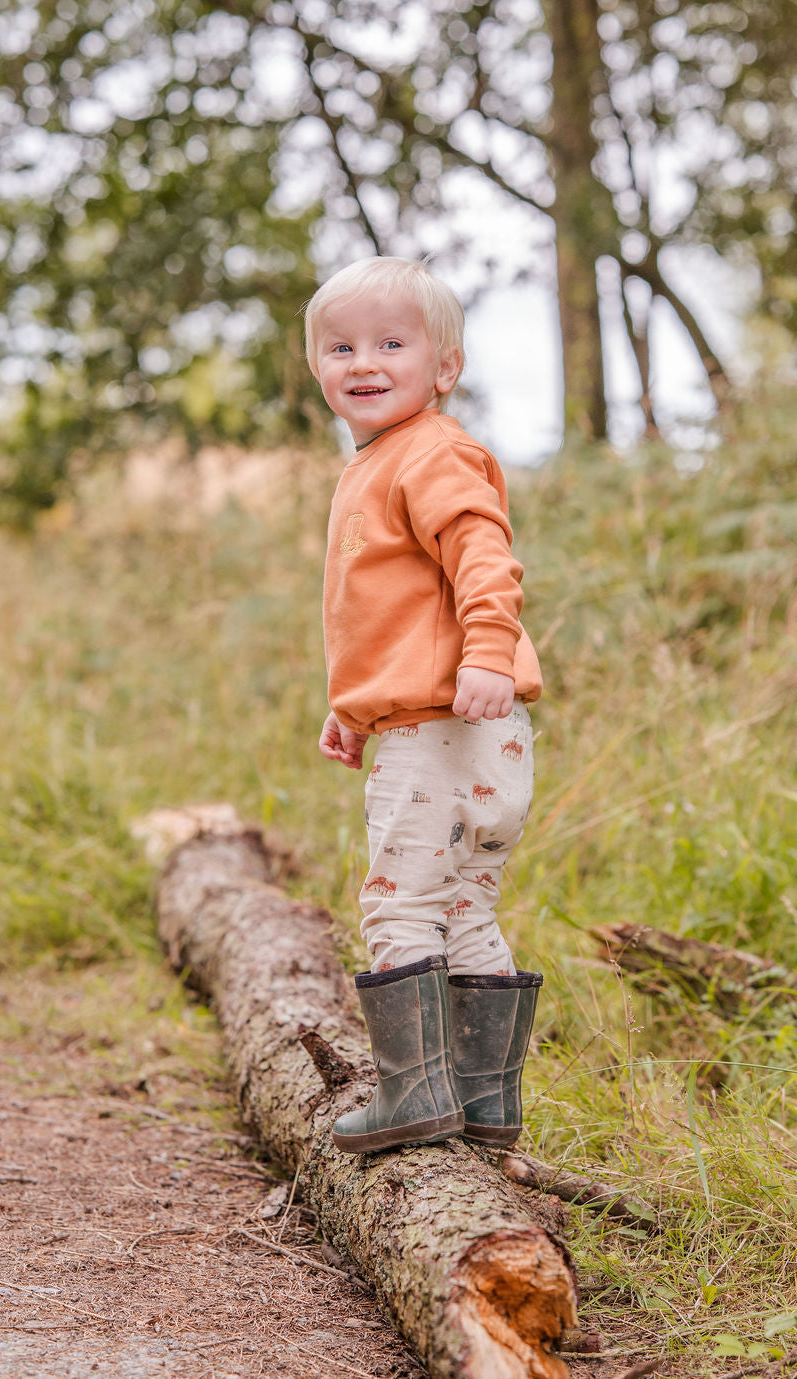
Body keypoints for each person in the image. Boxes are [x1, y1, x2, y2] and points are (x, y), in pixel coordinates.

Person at [305, 256, 544, 1155]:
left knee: (400, 906)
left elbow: (486, 556)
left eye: (390, 343)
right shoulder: (382, 460)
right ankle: (484, 1104)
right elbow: (390, 618)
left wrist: (487, 651)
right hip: (478, 730)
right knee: (465, 909)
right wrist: (354, 706)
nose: (363, 361)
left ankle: (414, 1094)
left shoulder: (430, 450)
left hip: (444, 725)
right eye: (340, 347)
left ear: (444, 367)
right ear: (319, 368)